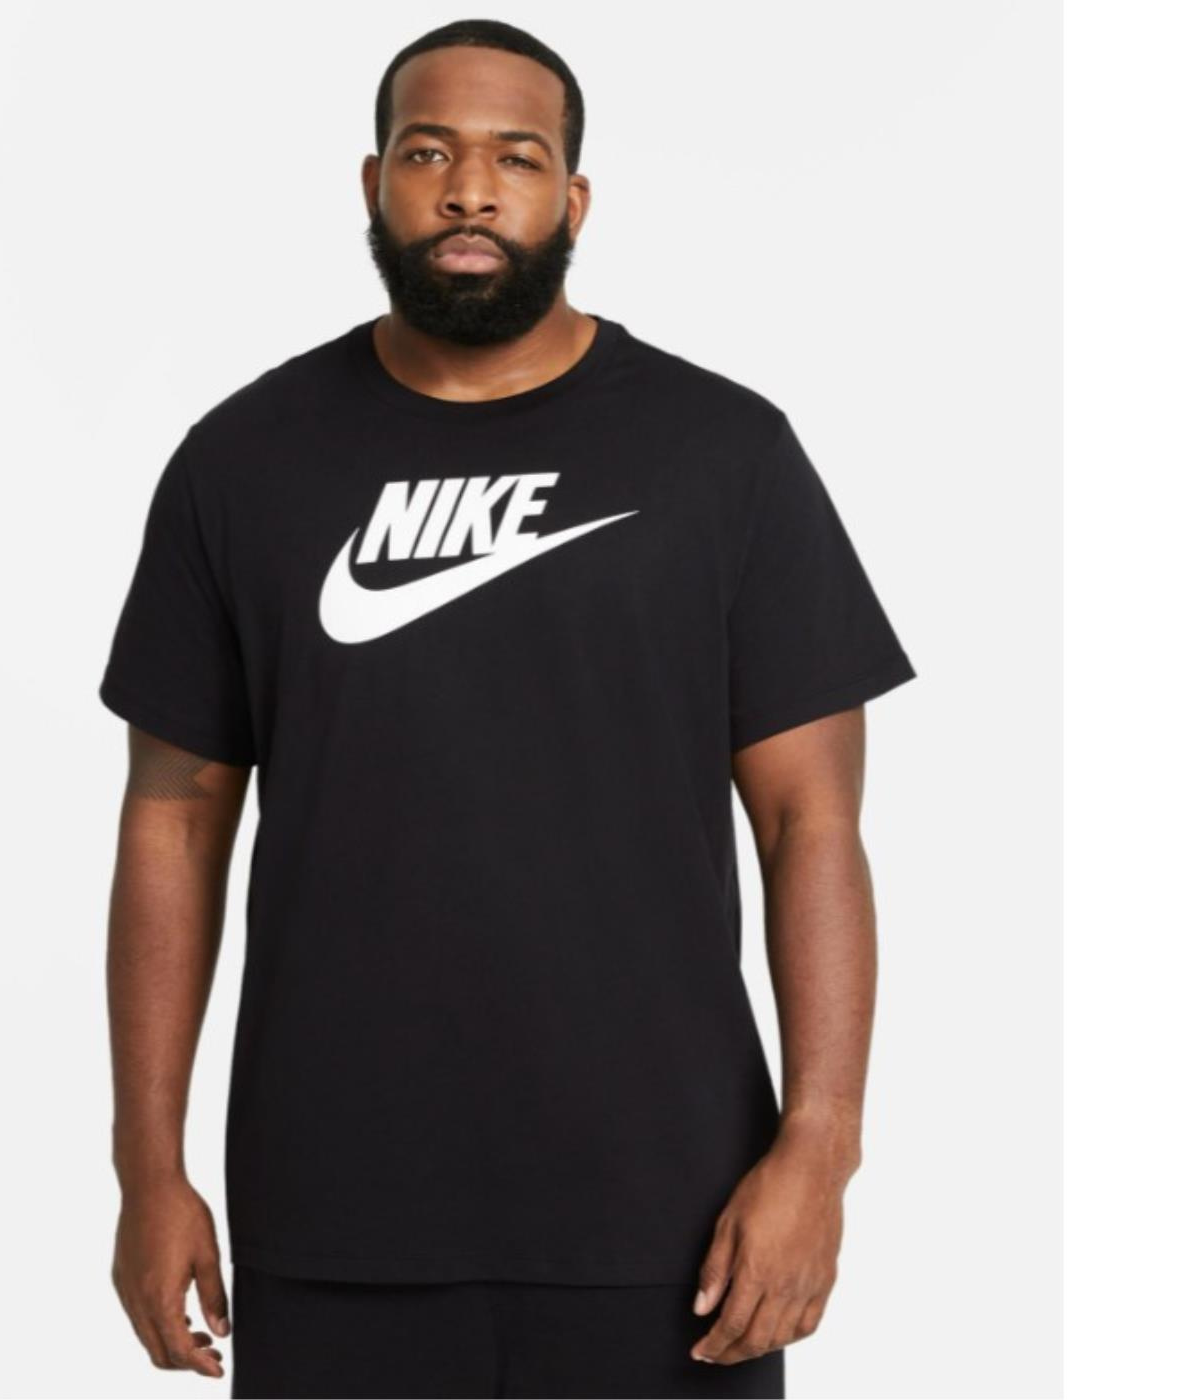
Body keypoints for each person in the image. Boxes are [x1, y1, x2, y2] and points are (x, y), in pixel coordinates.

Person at [99, 18, 916, 1399]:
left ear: (573, 199)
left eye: (515, 158)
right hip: (334, 1221)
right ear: (374, 184)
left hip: (675, 1231)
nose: (470, 190)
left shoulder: (724, 455)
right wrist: (147, 1168)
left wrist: (818, 1149)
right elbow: (172, 828)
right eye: (429, 154)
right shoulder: (242, 464)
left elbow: (812, 824)